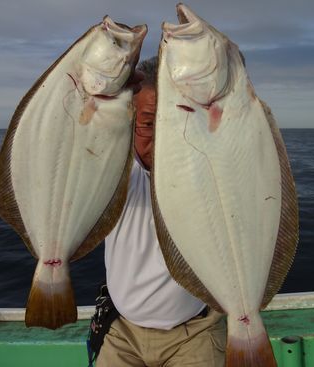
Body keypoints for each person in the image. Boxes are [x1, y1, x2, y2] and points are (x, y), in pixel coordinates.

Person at [96, 57, 227, 367]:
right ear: (129, 120)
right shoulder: (114, 172)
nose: (163, 138)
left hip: (195, 332)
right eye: (148, 124)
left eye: (172, 122)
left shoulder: (212, 174)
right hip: (122, 332)